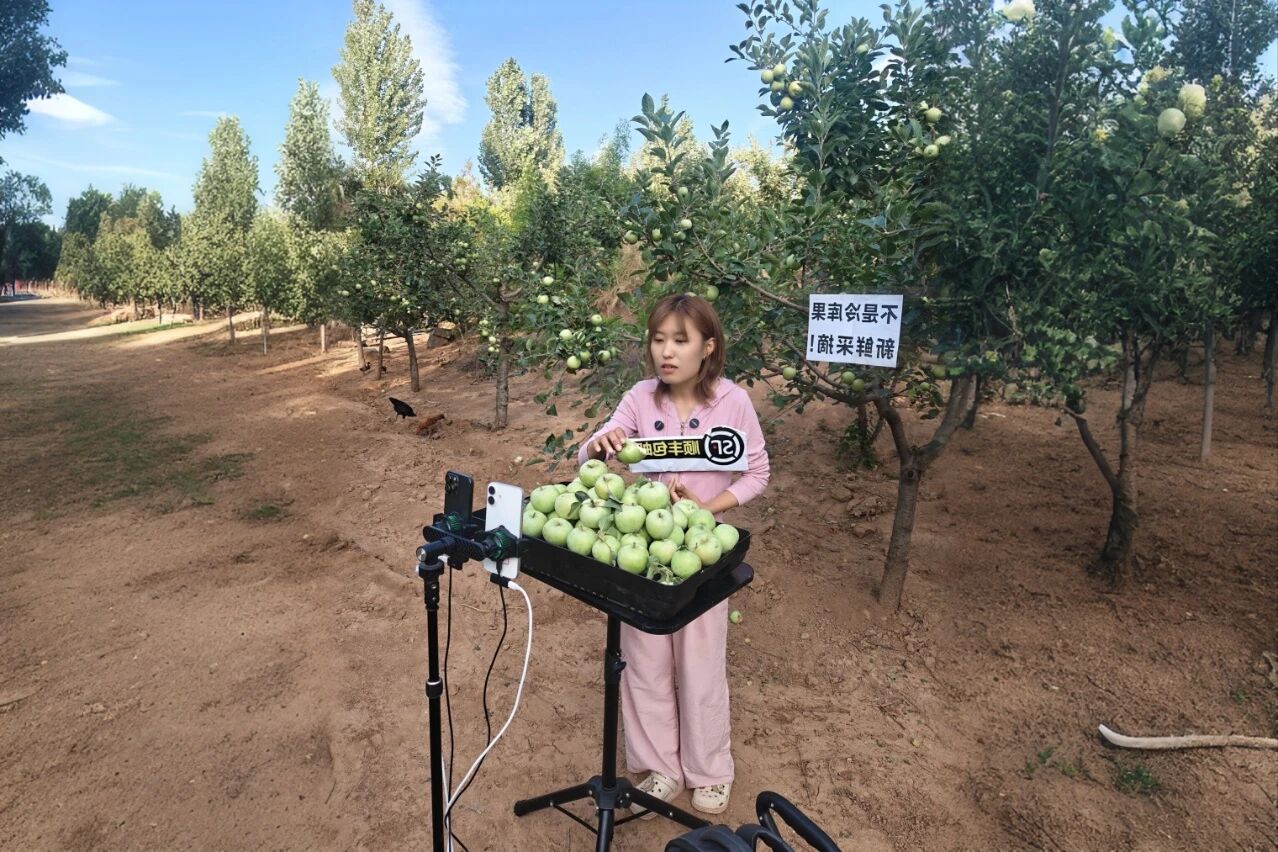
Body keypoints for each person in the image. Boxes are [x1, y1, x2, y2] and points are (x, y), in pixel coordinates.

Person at [579, 293, 770, 816]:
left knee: (702, 663)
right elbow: (590, 451)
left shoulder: (731, 401)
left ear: (707, 347)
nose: (666, 351)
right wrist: (602, 442)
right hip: (642, 553)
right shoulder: (641, 398)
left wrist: (710, 505)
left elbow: (757, 473)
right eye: (658, 339)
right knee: (643, 662)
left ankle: (709, 769)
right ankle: (660, 765)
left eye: (680, 341)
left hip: (701, 553)